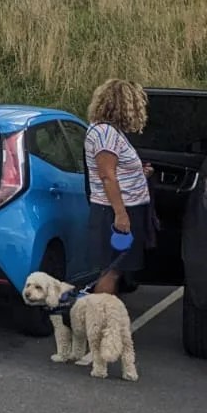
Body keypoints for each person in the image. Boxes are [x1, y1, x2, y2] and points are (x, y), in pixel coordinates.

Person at [83, 79, 154, 297]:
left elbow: (114, 171)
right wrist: (121, 214)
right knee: (111, 270)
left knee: (115, 269)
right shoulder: (106, 134)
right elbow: (106, 176)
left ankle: (103, 317)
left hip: (119, 208)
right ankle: (101, 319)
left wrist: (138, 174)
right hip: (114, 211)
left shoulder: (108, 132)